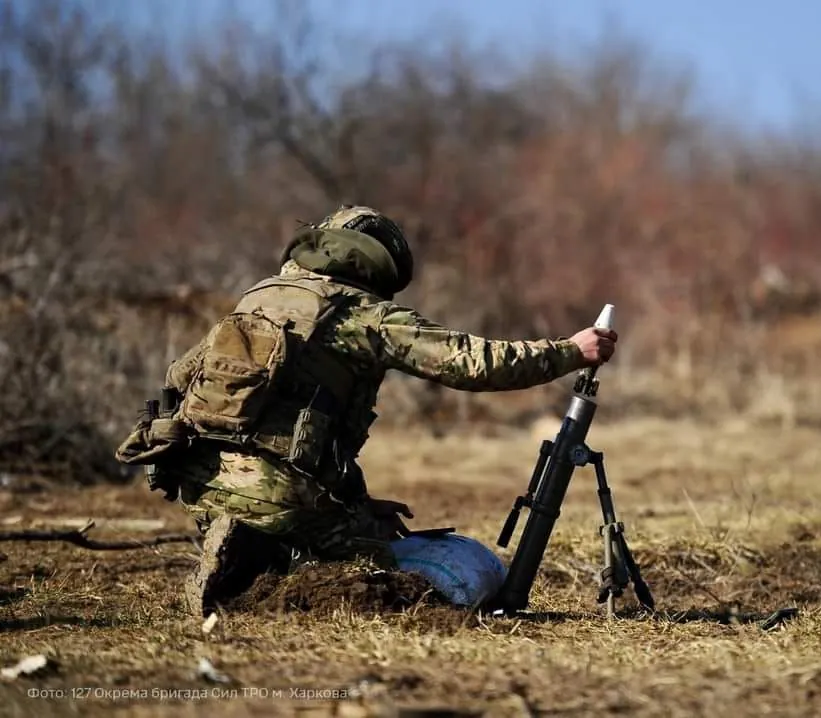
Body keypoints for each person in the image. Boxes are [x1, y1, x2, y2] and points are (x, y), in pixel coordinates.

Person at [114, 205, 618, 617]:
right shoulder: (359, 313)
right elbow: (471, 363)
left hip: (202, 486)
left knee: (354, 524)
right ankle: (277, 562)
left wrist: (355, 501)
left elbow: (180, 381)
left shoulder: (257, 300)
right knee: (410, 575)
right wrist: (570, 351)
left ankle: (251, 540)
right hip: (281, 495)